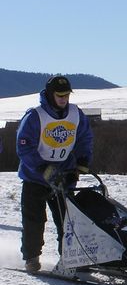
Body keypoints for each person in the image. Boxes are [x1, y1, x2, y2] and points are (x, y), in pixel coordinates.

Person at [16, 75, 93, 272]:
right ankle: (32, 258)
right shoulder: (35, 116)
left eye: (66, 94)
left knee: (68, 221)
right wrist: (43, 168)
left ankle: (70, 258)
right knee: (34, 221)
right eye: (59, 95)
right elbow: (24, 147)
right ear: (50, 94)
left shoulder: (76, 114)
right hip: (35, 178)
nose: (63, 98)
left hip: (64, 176)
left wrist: (83, 161)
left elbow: (85, 137)